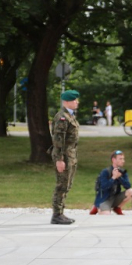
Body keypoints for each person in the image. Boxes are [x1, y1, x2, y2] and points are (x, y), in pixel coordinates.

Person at [50, 90, 81, 225]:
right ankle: (57, 214)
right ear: (66, 102)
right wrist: (59, 159)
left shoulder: (70, 116)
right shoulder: (62, 117)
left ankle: (61, 212)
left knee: (67, 185)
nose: (77, 102)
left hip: (70, 155)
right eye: (74, 100)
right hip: (64, 156)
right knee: (61, 185)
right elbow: (58, 141)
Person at [91, 150, 132, 215]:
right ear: (113, 160)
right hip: (104, 199)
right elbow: (104, 187)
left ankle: (117, 207)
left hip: (115, 198)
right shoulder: (105, 172)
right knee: (106, 216)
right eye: (120, 159)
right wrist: (113, 177)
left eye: (123, 159)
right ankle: (97, 206)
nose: (123, 161)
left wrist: (119, 177)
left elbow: (128, 186)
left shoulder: (122, 172)